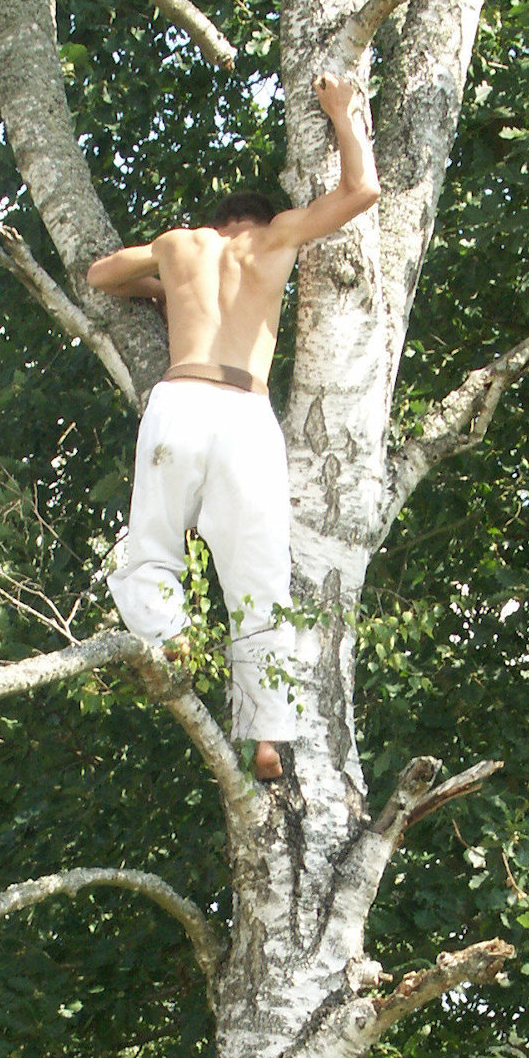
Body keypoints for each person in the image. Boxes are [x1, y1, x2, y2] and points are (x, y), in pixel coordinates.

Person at [89, 71, 379, 780]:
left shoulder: (180, 245)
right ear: (259, 220)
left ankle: (171, 638)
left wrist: (164, 286)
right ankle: (268, 739)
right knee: (261, 580)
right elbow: (361, 191)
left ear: (217, 225)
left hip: (181, 399)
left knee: (152, 546)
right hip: (247, 412)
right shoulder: (276, 240)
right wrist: (342, 112)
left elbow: (100, 275)